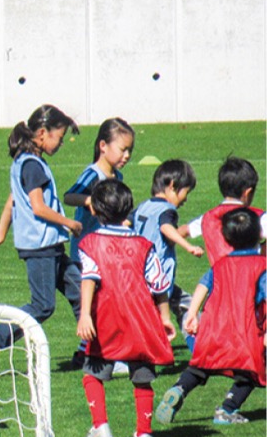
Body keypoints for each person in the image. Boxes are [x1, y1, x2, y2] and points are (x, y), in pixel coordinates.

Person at [0, 105, 83, 376]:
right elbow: (37, 207)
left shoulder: (26, 161)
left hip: (49, 246)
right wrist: (69, 223)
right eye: (60, 136)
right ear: (43, 133)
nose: (61, 143)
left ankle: (97, 353)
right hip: (40, 246)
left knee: (81, 291)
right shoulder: (32, 165)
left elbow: (12, 202)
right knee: (43, 304)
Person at [74, 180, 174, 437]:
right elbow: (159, 284)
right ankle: (144, 435)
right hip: (141, 318)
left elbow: (89, 278)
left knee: (93, 370)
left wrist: (85, 315)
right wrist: (165, 316)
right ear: (128, 208)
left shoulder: (90, 243)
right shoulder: (144, 244)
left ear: (94, 210)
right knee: (142, 374)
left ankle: (100, 426)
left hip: (106, 317)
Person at [155, 208, 267, 426]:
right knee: (253, 371)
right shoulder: (261, 266)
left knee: (200, 367)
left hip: (213, 329)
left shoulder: (221, 264)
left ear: (226, 238)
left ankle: (180, 388)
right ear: (259, 236)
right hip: (244, 332)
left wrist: (191, 315)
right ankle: (227, 409)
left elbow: (203, 286)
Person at [62, 118, 135, 368]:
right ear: (103, 145)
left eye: (129, 151)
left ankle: (86, 352)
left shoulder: (118, 175)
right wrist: (89, 201)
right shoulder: (93, 174)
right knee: (100, 304)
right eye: (122, 149)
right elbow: (70, 195)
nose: (126, 155)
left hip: (108, 251)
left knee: (104, 303)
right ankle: (103, 354)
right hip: (88, 251)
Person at [131, 160, 205, 347]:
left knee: (185, 305)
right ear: (172, 186)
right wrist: (188, 246)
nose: (185, 199)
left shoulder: (143, 206)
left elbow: (125, 224)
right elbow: (166, 228)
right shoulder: (167, 210)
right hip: (158, 279)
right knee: (152, 322)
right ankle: (127, 362)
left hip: (138, 275)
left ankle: (198, 350)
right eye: (185, 192)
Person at [183, 156, 265, 264]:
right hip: (251, 277)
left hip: (218, 278)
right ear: (247, 192)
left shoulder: (207, 218)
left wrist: (190, 247)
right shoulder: (257, 216)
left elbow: (181, 232)